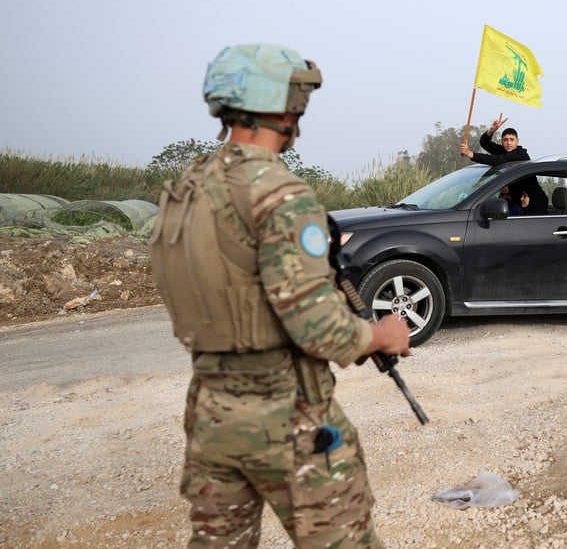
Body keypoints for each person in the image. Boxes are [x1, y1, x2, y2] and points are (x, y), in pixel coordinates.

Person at [148, 44, 411, 548]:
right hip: (288, 419)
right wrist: (381, 334)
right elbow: (319, 328)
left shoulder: (187, 189)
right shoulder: (279, 193)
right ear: (278, 102)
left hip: (212, 416)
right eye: (298, 97)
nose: (301, 111)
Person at [460, 114, 547, 213]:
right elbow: (484, 143)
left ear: (517, 141)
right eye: (505, 140)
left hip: (534, 201)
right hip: (519, 201)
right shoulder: (505, 151)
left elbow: (497, 160)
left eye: (511, 140)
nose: (508, 143)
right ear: (502, 142)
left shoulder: (520, 154)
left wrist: (471, 154)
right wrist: (492, 130)